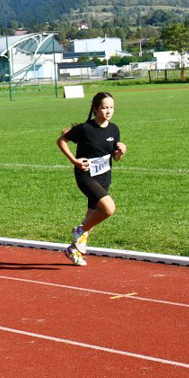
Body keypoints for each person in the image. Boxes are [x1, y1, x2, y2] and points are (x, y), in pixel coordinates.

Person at [57, 92, 127, 266]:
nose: (108, 111)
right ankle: (79, 231)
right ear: (96, 109)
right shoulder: (85, 129)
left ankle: (74, 249)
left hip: (104, 176)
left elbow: (115, 157)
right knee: (108, 209)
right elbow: (61, 140)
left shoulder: (114, 129)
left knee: (92, 217)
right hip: (86, 175)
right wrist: (74, 160)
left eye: (111, 107)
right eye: (104, 107)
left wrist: (121, 152)